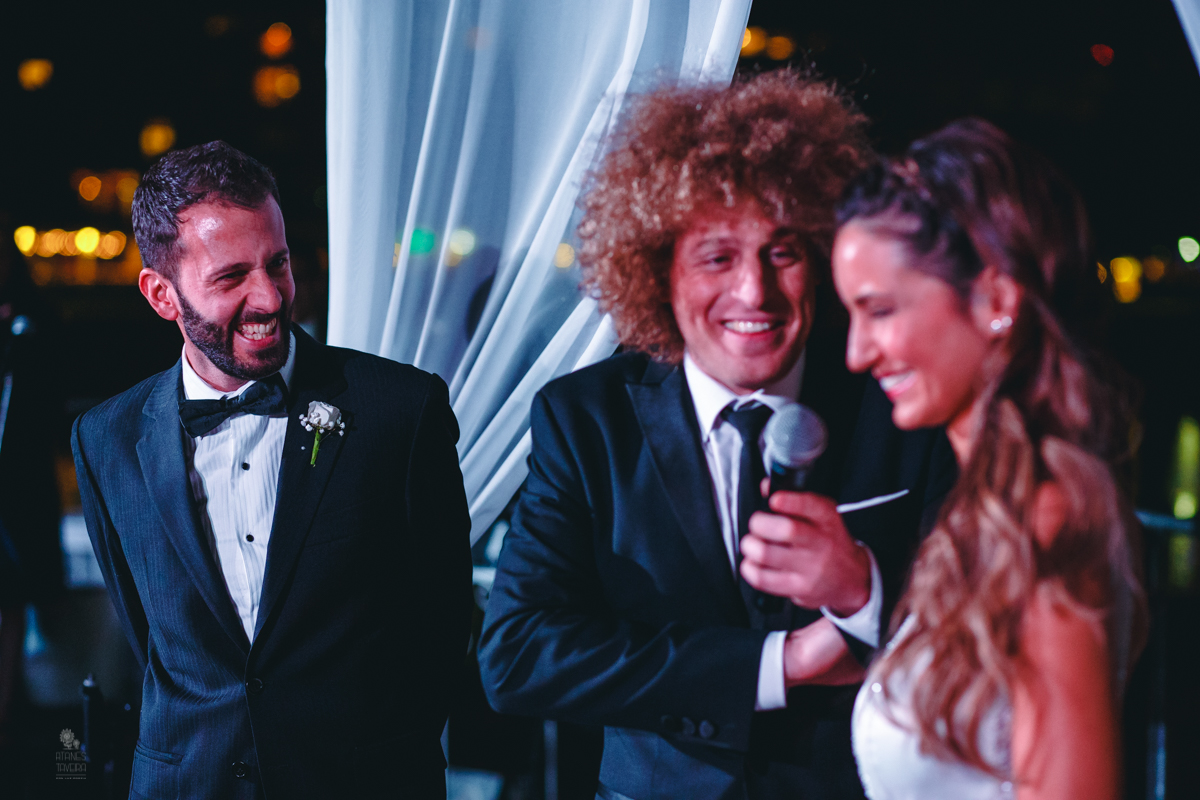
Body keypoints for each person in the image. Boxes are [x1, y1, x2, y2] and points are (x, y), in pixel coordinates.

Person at [478, 72, 957, 800]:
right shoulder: (586, 420)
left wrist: (863, 594)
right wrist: (778, 665)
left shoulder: (898, 405)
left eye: (782, 252)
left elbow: (986, 629)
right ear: (655, 269)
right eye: (717, 257)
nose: (754, 292)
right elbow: (519, 656)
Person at [71, 141, 473, 799]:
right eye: (231, 277)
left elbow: (441, 625)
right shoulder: (105, 438)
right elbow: (150, 638)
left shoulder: (399, 410)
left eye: (278, 263)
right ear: (162, 294)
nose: (269, 296)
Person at [779, 118, 1146, 799]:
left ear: (995, 301)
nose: (856, 353)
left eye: (880, 311)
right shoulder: (981, 511)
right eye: (850, 316)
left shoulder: (1048, 520)